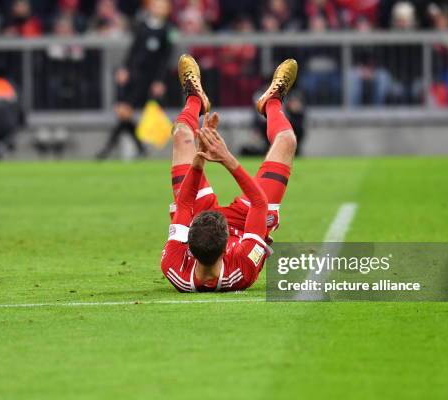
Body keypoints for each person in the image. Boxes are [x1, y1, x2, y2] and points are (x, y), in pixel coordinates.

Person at [160, 54, 298, 292]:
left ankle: (195, 98)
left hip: (199, 218)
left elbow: (183, 206)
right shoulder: (242, 267)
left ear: (187, 243)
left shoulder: (174, 265)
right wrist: (226, 157)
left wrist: (199, 159)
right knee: (286, 140)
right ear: (228, 247)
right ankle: (272, 102)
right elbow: (259, 202)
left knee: (182, 135)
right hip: (247, 224)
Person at [96, 0, 173, 159]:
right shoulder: (142, 26)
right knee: (124, 112)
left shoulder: (167, 31)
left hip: (150, 79)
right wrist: (125, 68)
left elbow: (165, 59)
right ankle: (137, 149)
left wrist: (160, 80)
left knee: (126, 112)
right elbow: (133, 51)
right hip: (135, 75)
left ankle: (108, 151)